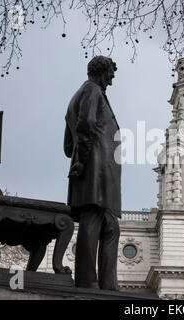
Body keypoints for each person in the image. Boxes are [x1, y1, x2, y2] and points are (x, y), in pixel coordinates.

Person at [63, 56, 121, 290]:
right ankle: (88, 281)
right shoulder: (92, 91)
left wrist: (78, 154)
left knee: (111, 227)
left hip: (96, 169)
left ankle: (109, 284)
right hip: (94, 169)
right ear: (101, 71)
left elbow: (68, 145)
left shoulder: (76, 98)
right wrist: (84, 160)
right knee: (93, 221)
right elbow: (85, 125)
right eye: (111, 73)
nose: (112, 78)